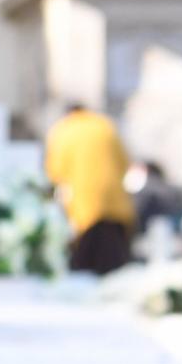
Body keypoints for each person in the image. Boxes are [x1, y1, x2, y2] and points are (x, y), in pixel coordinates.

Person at [45, 102, 137, 274]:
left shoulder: (64, 130)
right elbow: (125, 162)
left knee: (84, 262)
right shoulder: (105, 125)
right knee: (115, 260)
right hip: (114, 199)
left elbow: (55, 171)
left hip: (85, 202)